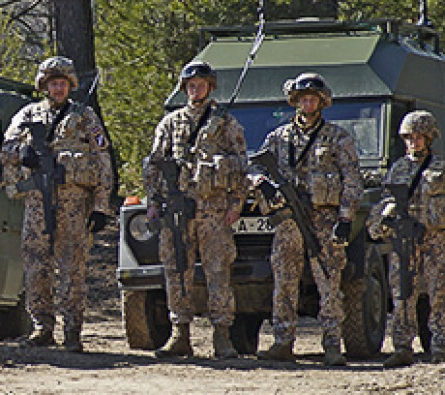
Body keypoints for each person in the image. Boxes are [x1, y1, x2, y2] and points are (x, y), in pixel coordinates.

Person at [0, 56, 112, 352]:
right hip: (37, 205)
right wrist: (23, 153)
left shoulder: (84, 116)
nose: (58, 88)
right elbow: (7, 147)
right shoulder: (28, 115)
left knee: (72, 268)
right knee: (36, 266)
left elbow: (102, 161)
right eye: (53, 83)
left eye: (62, 83)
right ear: (44, 86)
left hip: (74, 206)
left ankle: (72, 331)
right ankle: (42, 327)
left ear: (70, 85)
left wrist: (101, 206)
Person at [251, 72, 362, 366]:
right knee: (284, 281)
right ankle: (283, 341)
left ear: (322, 102)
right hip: (288, 221)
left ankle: (332, 344)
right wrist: (261, 182)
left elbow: (352, 180)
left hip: (324, 220)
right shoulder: (279, 137)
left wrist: (346, 218)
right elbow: (253, 167)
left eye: (312, 98)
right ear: (295, 102)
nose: (307, 103)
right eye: (303, 99)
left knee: (329, 281)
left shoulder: (338, 137)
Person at [142, 61, 247, 359]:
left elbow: (242, 167)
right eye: (190, 85)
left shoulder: (226, 123)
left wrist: (235, 206)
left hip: (213, 211)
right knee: (176, 269)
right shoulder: (170, 123)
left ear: (210, 87)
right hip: (177, 209)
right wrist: (153, 202)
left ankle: (222, 335)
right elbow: (153, 166)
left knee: (218, 271)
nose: (194, 89)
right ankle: (180, 333)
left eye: (200, 84)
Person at [367, 110, 445, 367]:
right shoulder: (397, 168)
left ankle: (440, 345)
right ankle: (402, 346)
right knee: (402, 294)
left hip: (434, 240)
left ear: (429, 138)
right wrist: (384, 220)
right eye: (410, 137)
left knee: (439, 293)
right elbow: (387, 200)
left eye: (420, 137)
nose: (414, 142)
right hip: (404, 241)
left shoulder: (440, 168)